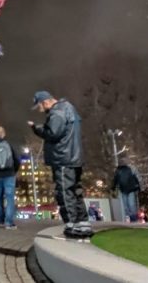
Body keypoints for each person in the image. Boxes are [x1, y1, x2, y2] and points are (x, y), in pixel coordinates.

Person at [28, 90, 92, 239]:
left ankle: (71, 225)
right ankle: (83, 224)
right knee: (75, 191)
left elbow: (53, 133)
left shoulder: (57, 113)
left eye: (39, 106)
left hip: (63, 158)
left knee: (64, 191)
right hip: (74, 157)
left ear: (45, 102)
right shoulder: (69, 108)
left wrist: (36, 129)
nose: (39, 109)